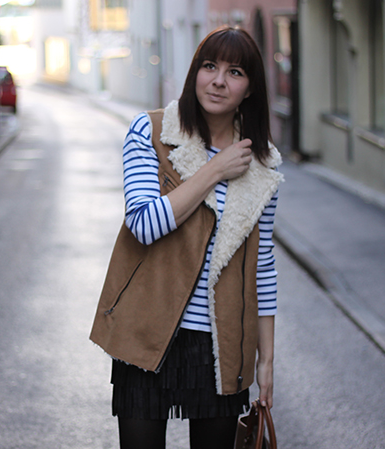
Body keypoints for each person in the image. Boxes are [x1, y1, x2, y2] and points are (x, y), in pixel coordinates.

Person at [90, 25, 283, 449]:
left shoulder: (261, 167)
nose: (218, 80)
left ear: (250, 89)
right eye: (209, 66)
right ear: (195, 71)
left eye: (235, 72)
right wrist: (214, 170)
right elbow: (144, 222)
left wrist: (266, 360)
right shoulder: (152, 133)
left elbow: (262, 269)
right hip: (146, 331)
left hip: (221, 344)